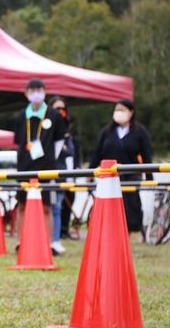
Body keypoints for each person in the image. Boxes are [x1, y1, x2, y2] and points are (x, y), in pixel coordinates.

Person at [13, 78, 67, 251]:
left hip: (46, 168)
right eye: (32, 90)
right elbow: (18, 143)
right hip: (24, 168)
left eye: (39, 89)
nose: (36, 93)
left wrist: (50, 160)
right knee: (21, 205)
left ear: (44, 91)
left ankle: (49, 243)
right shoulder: (22, 115)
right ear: (26, 93)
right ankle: (21, 242)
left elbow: (59, 141)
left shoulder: (54, 115)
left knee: (46, 206)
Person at [89, 99, 152, 242]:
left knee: (132, 206)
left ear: (131, 112)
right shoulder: (107, 132)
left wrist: (149, 177)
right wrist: (90, 173)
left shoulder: (140, 132)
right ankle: (110, 234)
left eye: (122, 110)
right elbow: (97, 153)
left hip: (131, 175)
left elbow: (147, 155)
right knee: (109, 206)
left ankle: (133, 233)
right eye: (117, 110)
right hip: (109, 177)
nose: (119, 113)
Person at [47, 96, 76, 254]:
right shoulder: (43, 126)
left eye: (62, 109)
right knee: (46, 208)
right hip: (44, 172)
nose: (60, 112)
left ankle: (55, 240)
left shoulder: (65, 131)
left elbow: (70, 150)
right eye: (57, 108)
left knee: (56, 207)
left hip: (59, 174)